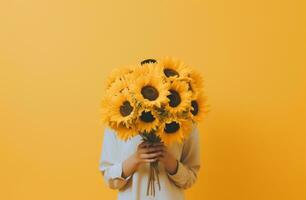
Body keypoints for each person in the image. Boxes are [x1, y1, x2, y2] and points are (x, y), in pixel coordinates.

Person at [98, 123, 200, 200]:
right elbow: (109, 178)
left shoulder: (186, 122)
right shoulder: (116, 122)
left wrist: (170, 161)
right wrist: (135, 159)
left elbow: (190, 178)